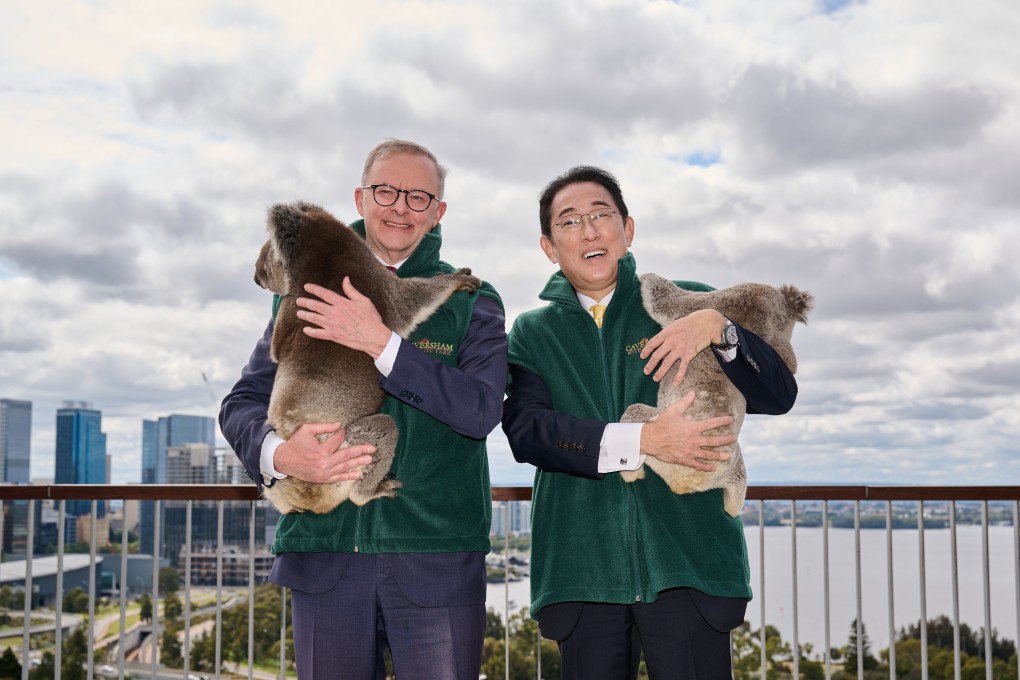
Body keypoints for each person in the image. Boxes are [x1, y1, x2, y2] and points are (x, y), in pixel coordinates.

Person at [220, 139, 507, 679]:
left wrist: (382, 344)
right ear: (361, 198)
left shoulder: (472, 300)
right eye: (386, 191)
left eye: (418, 197)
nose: (400, 206)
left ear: (438, 211)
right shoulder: (303, 290)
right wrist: (281, 455)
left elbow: (480, 411)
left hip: (436, 559)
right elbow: (241, 403)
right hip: (323, 556)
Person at [501, 166, 798, 679]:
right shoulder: (532, 332)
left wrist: (721, 330)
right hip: (583, 572)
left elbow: (778, 394)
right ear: (550, 247)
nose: (589, 230)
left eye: (601, 215)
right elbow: (528, 433)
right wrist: (643, 440)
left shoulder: (690, 304)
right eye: (570, 222)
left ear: (628, 229)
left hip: (690, 563)